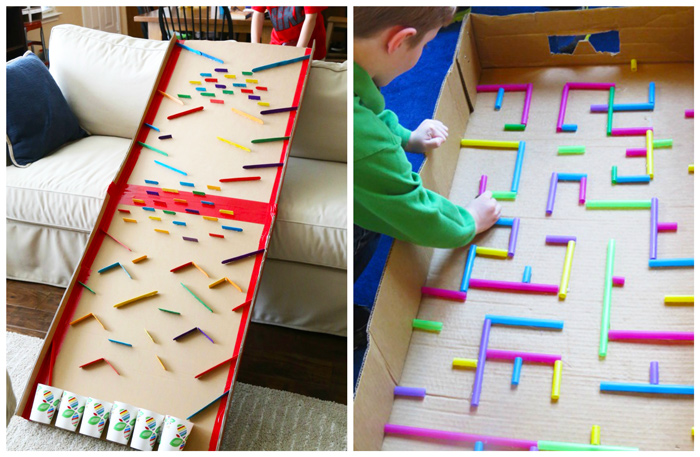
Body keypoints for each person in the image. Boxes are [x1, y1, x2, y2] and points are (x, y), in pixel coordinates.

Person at [353, 7, 502, 348]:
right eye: (426, 44)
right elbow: (413, 209)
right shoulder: (367, 144)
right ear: (401, 40)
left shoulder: (352, 75)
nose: (425, 53)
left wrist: (405, 137)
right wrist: (469, 221)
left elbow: (370, 111)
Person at [250, 7, 327, 60]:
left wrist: (298, 52)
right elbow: (258, 13)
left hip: (309, 46)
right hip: (279, 45)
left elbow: (310, 18)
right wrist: (255, 46)